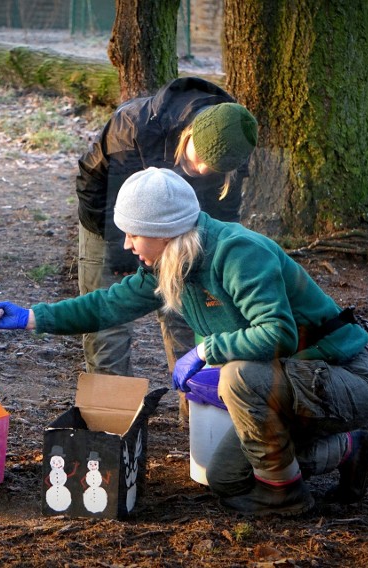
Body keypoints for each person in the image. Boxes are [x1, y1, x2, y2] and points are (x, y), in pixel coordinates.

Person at [0, 168, 368, 516]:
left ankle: (285, 497)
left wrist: (204, 350)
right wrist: (31, 317)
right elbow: (107, 306)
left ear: (164, 232)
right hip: (294, 384)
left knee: (238, 378)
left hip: (345, 377)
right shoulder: (169, 262)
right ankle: (352, 449)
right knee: (226, 481)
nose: (127, 244)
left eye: (134, 233)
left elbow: (278, 334)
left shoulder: (237, 253)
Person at [76, 76, 258, 422]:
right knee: (108, 323)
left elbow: (223, 216)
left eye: (214, 170)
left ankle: (200, 421)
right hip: (109, 222)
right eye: (198, 160)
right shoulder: (132, 128)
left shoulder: (235, 139)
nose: (202, 171)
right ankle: (109, 425)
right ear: (188, 134)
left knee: (189, 318)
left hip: (181, 232)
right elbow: (93, 187)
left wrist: (204, 270)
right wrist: (123, 253)